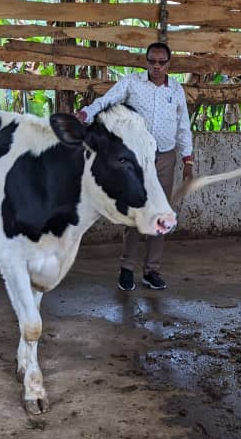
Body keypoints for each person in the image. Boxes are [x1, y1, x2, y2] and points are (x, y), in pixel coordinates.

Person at [76, 42, 193, 291]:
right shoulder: (132, 83)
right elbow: (107, 101)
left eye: (161, 62)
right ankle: (127, 269)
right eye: (152, 61)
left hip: (165, 158)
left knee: (160, 212)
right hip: (136, 160)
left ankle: (152, 270)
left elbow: (183, 125)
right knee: (135, 210)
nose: (156, 66)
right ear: (146, 61)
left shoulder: (176, 90)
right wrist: (86, 113)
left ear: (169, 64)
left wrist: (188, 158)